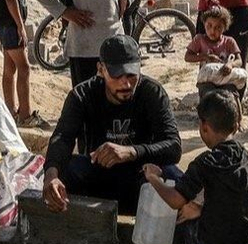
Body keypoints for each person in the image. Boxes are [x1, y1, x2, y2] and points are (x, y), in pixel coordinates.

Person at [43, 35, 182, 216]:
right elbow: (62, 137)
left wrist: (131, 152)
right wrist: (51, 176)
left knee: (174, 177)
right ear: (101, 70)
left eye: (132, 75)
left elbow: (173, 146)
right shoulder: (83, 95)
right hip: (98, 175)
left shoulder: (152, 92)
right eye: (117, 75)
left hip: (141, 176)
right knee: (66, 170)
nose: (126, 83)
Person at [143, 90, 248, 244]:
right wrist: (201, 209)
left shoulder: (206, 162)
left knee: (179, 217)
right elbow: (236, 202)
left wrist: (153, 178)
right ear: (235, 126)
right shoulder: (245, 157)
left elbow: (175, 201)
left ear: (204, 126)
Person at [185, 3, 245, 97]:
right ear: (204, 24)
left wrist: (230, 64)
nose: (213, 31)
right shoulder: (199, 39)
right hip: (207, 81)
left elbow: (239, 61)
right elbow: (187, 57)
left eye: (218, 27)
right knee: (207, 100)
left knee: (231, 97)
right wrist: (205, 57)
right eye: (209, 26)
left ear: (225, 28)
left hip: (226, 80)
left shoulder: (229, 41)